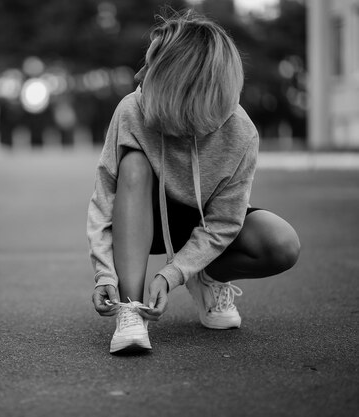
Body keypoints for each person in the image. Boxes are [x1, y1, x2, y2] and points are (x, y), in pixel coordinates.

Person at [87, 10, 300, 354]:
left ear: (180, 81)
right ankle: (131, 308)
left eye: (151, 66)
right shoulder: (132, 111)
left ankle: (208, 276)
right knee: (135, 164)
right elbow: (103, 200)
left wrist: (173, 274)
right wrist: (105, 276)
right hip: (144, 221)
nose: (139, 74)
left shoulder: (241, 132)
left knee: (282, 243)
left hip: (206, 222)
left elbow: (225, 221)